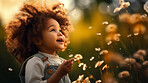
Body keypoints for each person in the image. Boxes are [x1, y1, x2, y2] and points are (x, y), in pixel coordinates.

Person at [5, 0, 74, 83]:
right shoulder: (35, 62)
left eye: (60, 30)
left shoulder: (62, 62)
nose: (60, 33)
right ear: (37, 39)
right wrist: (59, 73)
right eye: (52, 30)